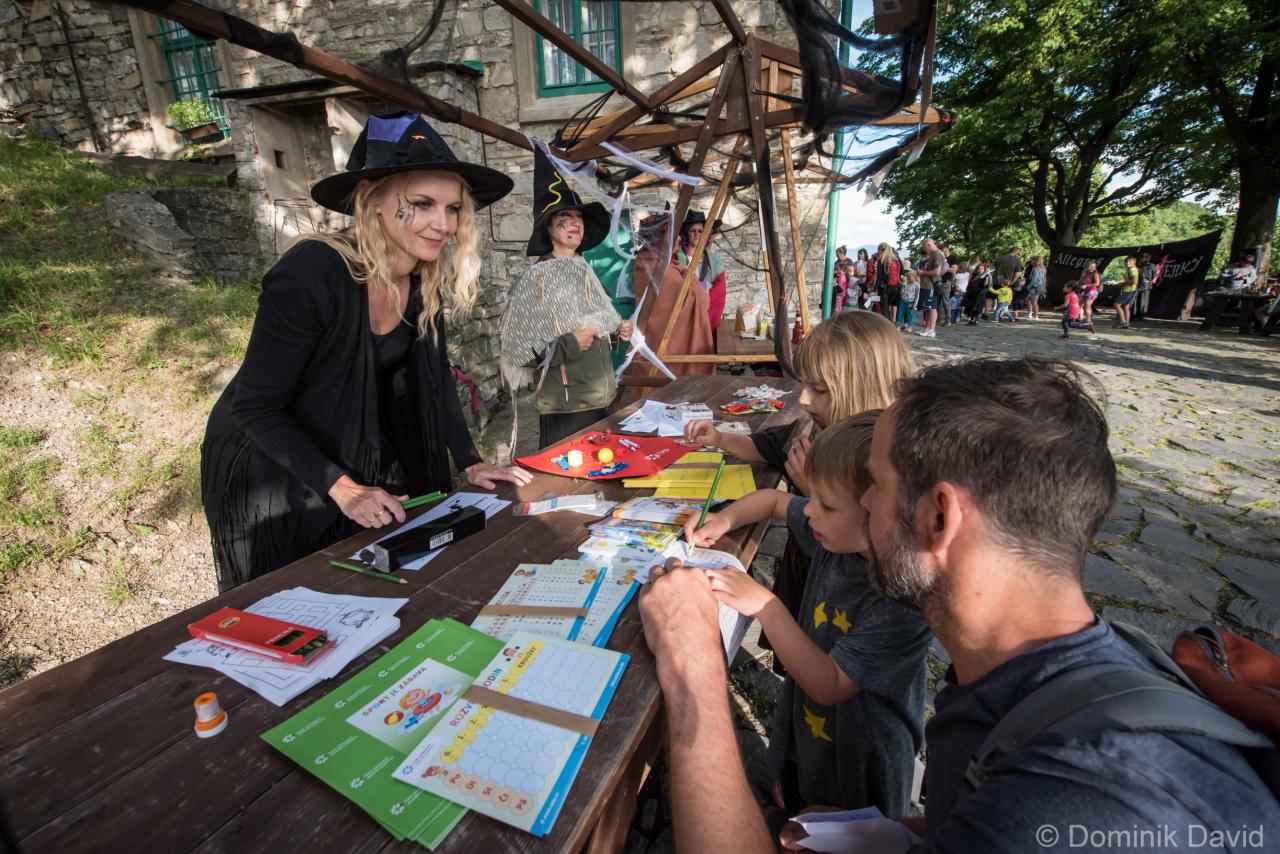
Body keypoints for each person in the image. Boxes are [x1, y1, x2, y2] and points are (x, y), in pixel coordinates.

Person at [637, 356, 1279, 854]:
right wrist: (904, 835)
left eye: (877, 485)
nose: (864, 502)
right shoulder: (1043, 682)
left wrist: (692, 663)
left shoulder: (1074, 797)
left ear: (939, 518)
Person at [200, 112, 533, 591]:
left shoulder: (421, 278)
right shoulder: (313, 271)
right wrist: (344, 488)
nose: (443, 224)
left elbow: (434, 378)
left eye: (453, 208)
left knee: (376, 579)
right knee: (296, 594)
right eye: (422, 204)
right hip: (274, 463)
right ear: (373, 200)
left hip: (348, 444)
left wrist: (469, 460)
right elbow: (256, 407)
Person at [685, 413, 931, 816]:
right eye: (812, 496)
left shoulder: (902, 603)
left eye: (827, 505)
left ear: (881, 511)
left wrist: (765, 605)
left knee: (842, 830)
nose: (809, 511)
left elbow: (829, 684)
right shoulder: (837, 536)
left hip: (860, 763)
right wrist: (723, 519)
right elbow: (775, 501)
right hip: (811, 732)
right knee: (801, 796)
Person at [683, 310, 915, 637]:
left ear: (862, 385)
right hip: (806, 578)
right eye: (803, 385)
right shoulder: (812, 431)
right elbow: (764, 450)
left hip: (841, 605)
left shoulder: (884, 463)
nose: (804, 399)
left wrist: (810, 486)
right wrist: (720, 438)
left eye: (818, 389)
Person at [498, 148, 632, 448]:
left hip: (600, 398)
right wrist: (570, 342)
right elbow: (518, 350)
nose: (575, 222)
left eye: (578, 216)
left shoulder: (584, 270)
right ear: (548, 226)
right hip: (566, 409)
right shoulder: (537, 278)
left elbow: (594, 329)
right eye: (564, 216)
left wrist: (617, 332)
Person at [628, 213, 714, 379]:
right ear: (660, 239)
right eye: (672, 234)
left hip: (653, 340)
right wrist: (691, 278)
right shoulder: (661, 269)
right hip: (665, 343)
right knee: (665, 384)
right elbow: (700, 300)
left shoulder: (647, 260)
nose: (679, 238)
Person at [677, 211, 728, 340]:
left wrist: (706, 322)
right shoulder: (676, 259)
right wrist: (704, 286)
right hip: (681, 321)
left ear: (706, 234)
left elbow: (719, 297)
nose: (697, 234)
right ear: (686, 233)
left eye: (700, 231)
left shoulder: (715, 263)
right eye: (692, 231)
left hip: (706, 320)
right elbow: (674, 287)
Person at [918, 238, 946, 336]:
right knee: (927, 307)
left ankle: (932, 330)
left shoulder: (938, 254)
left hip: (931, 285)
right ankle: (927, 328)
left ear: (929, 245)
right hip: (926, 285)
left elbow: (937, 272)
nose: (924, 250)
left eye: (924, 248)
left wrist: (923, 273)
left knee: (932, 307)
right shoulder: (933, 254)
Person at [873, 243, 902, 320]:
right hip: (895, 287)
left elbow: (879, 277)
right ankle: (891, 324)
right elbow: (901, 272)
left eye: (878, 250)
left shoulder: (881, 260)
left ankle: (887, 325)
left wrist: (874, 290)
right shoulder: (897, 260)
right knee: (888, 307)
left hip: (884, 288)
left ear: (881, 250)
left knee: (884, 309)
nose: (878, 252)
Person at [1114, 255, 1139, 328]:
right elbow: (1129, 280)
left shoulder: (1132, 270)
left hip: (1129, 290)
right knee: (1125, 306)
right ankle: (1127, 323)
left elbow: (1134, 281)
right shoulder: (1129, 269)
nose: (1127, 263)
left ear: (1134, 262)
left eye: (1130, 262)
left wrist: (1122, 283)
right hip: (1130, 290)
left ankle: (1123, 321)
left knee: (1116, 304)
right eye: (1126, 262)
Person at [1133, 251, 1157, 322]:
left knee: (1143, 301)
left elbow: (1154, 276)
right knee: (1135, 301)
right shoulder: (1137, 266)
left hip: (1146, 286)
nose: (1140, 259)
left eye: (1142, 258)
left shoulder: (1151, 266)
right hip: (1137, 285)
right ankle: (1134, 315)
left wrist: (1149, 280)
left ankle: (1141, 316)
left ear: (1146, 258)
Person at [1025, 256, 1046, 320]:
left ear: (1035, 261)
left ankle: (1035, 316)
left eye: (1031, 261)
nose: (1030, 262)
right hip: (1040, 286)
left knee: (1034, 302)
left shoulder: (1035, 269)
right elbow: (1044, 279)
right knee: (1027, 300)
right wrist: (1044, 286)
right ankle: (1030, 314)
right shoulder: (1043, 268)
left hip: (1034, 287)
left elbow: (1034, 280)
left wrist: (1028, 286)